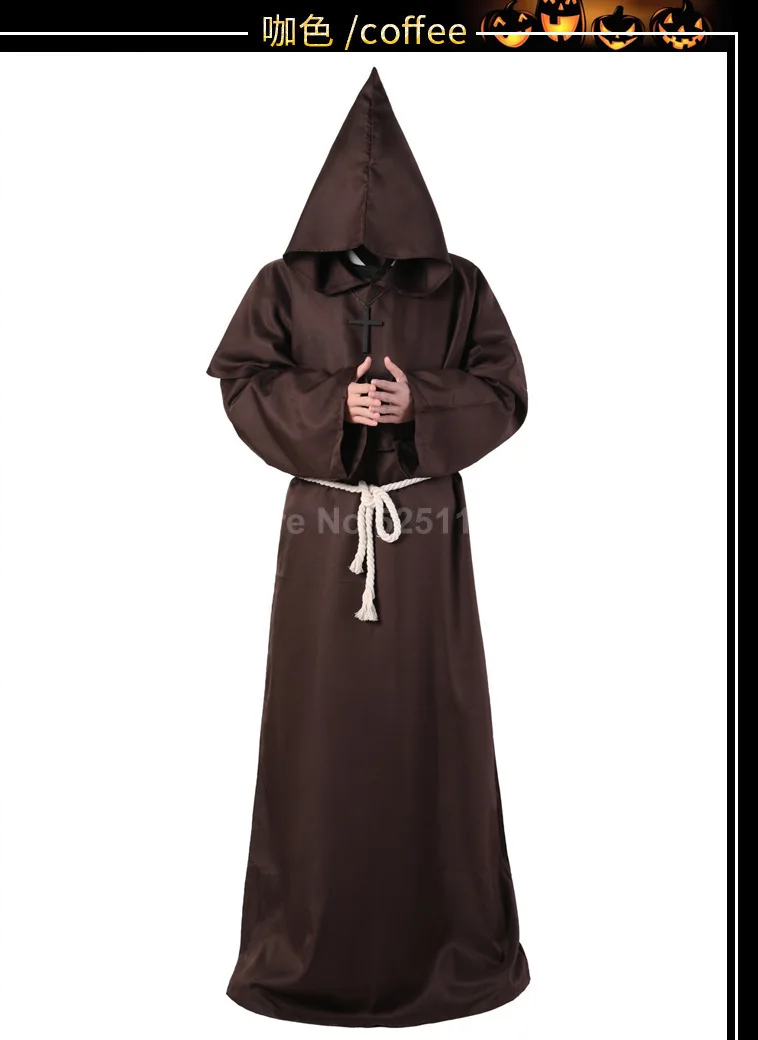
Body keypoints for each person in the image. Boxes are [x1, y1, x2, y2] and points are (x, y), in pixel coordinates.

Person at [207, 67, 529, 1027]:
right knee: (319, 732)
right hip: (324, 535)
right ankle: (313, 943)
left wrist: (419, 400)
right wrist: (334, 405)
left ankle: (443, 941)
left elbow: (506, 390)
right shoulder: (281, 285)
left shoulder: (460, 284)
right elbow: (241, 378)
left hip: (424, 541)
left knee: (433, 716)